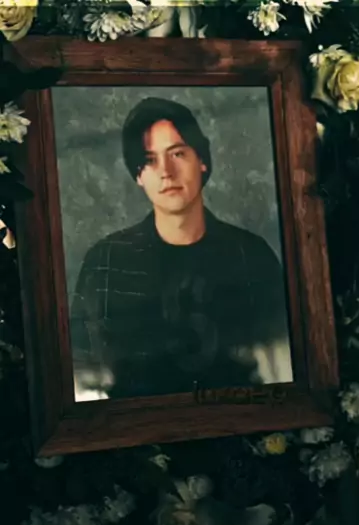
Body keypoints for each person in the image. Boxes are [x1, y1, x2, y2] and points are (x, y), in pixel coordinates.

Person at [71, 97, 293, 401]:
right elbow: (82, 375)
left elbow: (284, 366)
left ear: (202, 160)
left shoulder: (251, 255)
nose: (166, 172)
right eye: (150, 160)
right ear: (138, 175)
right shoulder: (105, 261)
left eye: (177, 153)